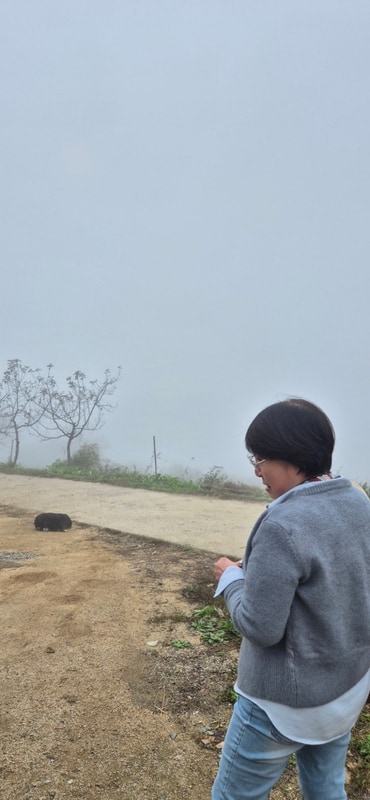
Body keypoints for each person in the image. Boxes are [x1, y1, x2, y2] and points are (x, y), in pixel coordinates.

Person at [212, 398, 370, 800]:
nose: (256, 470)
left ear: (293, 458)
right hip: (345, 691)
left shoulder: (282, 524)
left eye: (261, 457)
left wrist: (231, 579)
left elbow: (261, 627)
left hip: (281, 705)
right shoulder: (358, 502)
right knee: (326, 789)